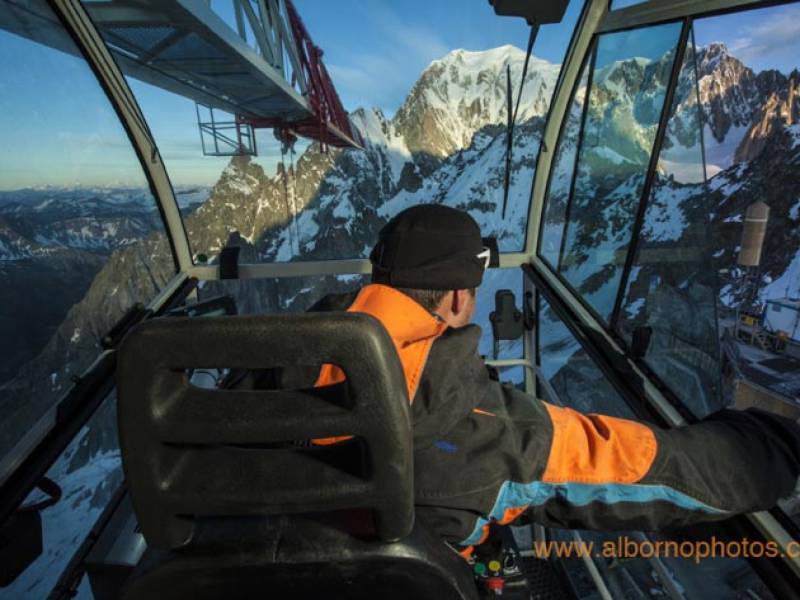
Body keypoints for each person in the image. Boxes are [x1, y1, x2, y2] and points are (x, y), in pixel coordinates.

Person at [311, 203, 800, 552]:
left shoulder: (263, 368)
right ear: (460, 298)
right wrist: (780, 442)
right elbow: (654, 472)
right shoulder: (485, 428)